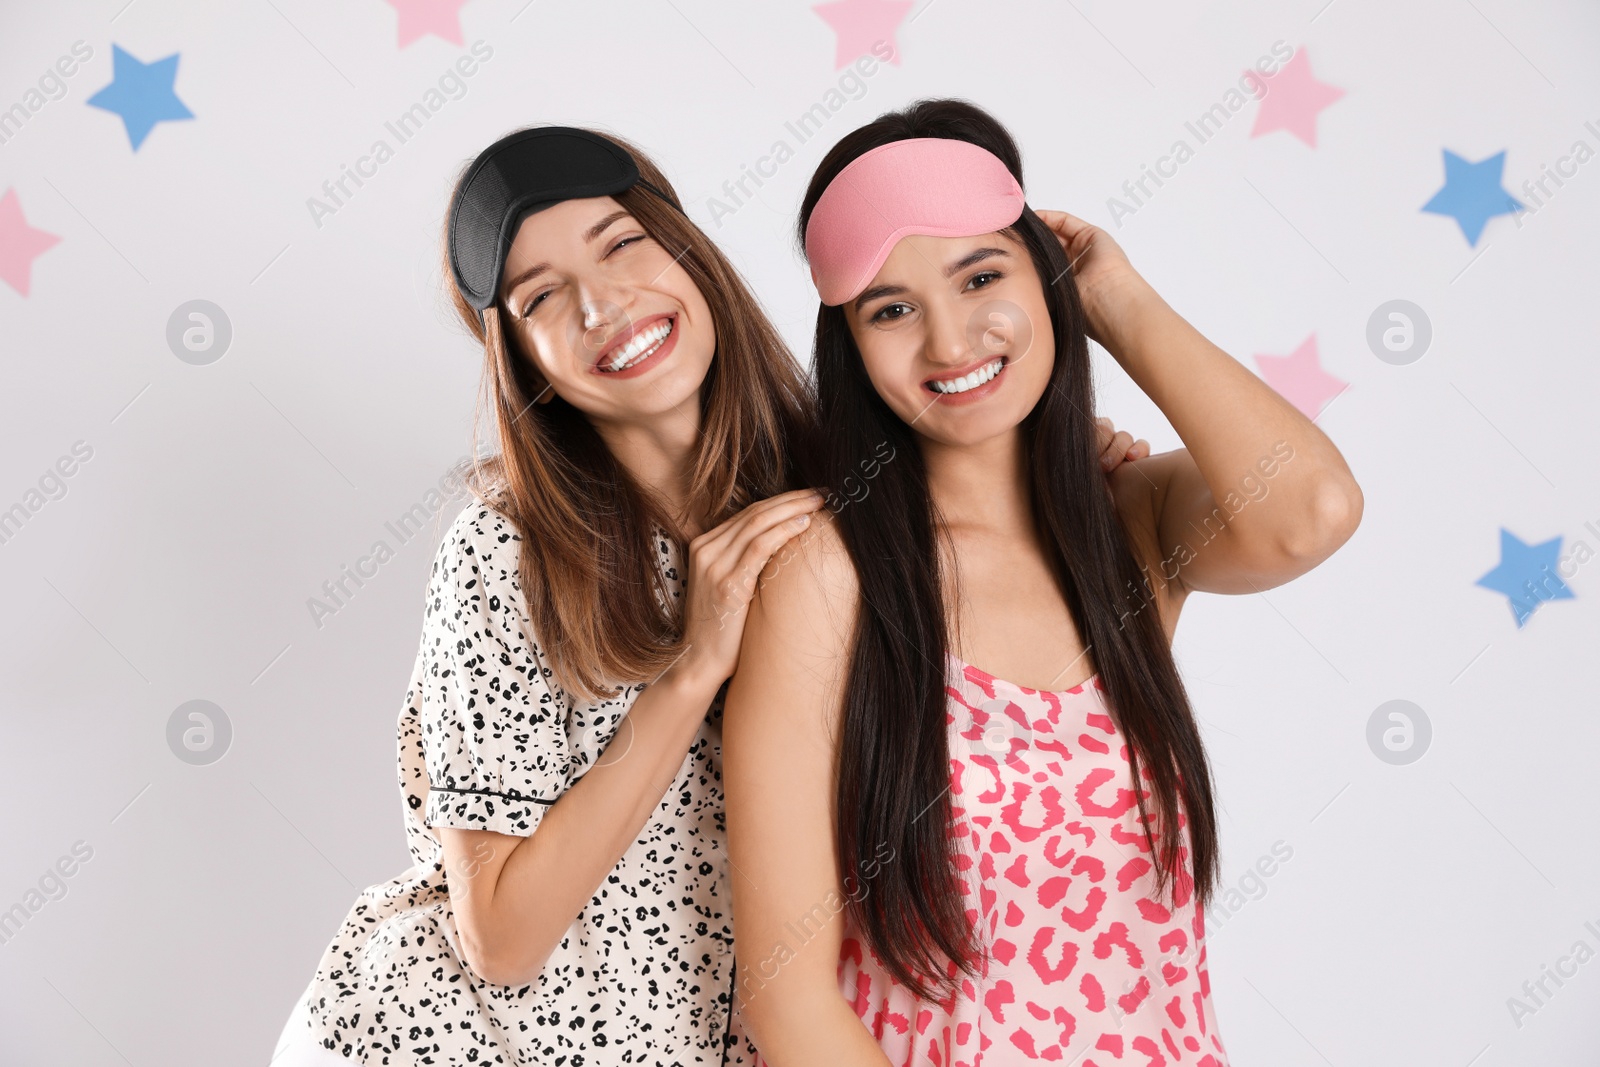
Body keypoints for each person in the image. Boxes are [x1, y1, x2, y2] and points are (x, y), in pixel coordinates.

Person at [723, 99, 1363, 1067]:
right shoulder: (826, 572)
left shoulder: (1128, 529)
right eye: (890, 308)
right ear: (849, 347)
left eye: (982, 275)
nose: (948, 341)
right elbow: (787, 999)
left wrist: (1118, 303)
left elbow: (1309, 509)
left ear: (1047, 275)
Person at [269, 125, 826, 1066]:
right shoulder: (504, 555)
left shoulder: (828, 493)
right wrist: (691, 670)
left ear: (688, 253)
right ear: (524, 360)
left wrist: (1068, 470)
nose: (604, 302)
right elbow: (500, 938)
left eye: (622, 243)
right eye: (542, 297)